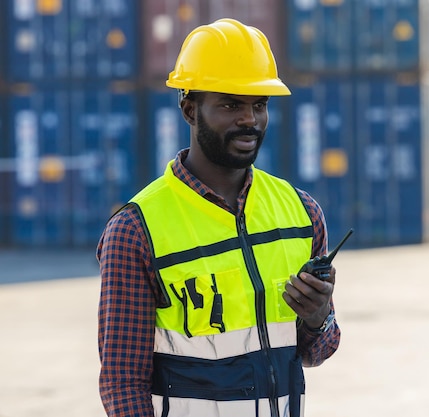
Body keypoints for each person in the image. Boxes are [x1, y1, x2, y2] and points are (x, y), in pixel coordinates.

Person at [97, 18, 340, 417]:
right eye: (230, 104)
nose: (249, 119)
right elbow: (123, 383)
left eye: (259, 105)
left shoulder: (301, 213)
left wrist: (318, 318)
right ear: (189, 109)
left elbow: (317, 351)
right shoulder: (137, 230)